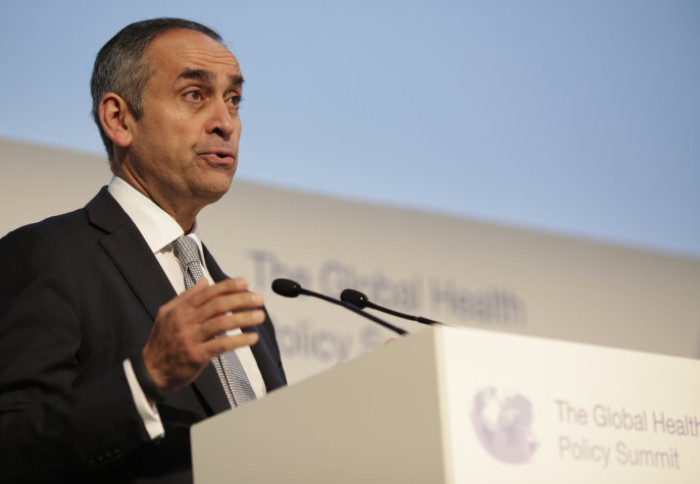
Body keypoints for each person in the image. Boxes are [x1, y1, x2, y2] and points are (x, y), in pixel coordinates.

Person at [0, 18, 286, 483]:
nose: (225, 122)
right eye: (195, 94)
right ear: (119, 119)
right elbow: (11, 448)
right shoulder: (47, 256)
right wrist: (144, 378)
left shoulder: (241, 309)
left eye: (233, 99)